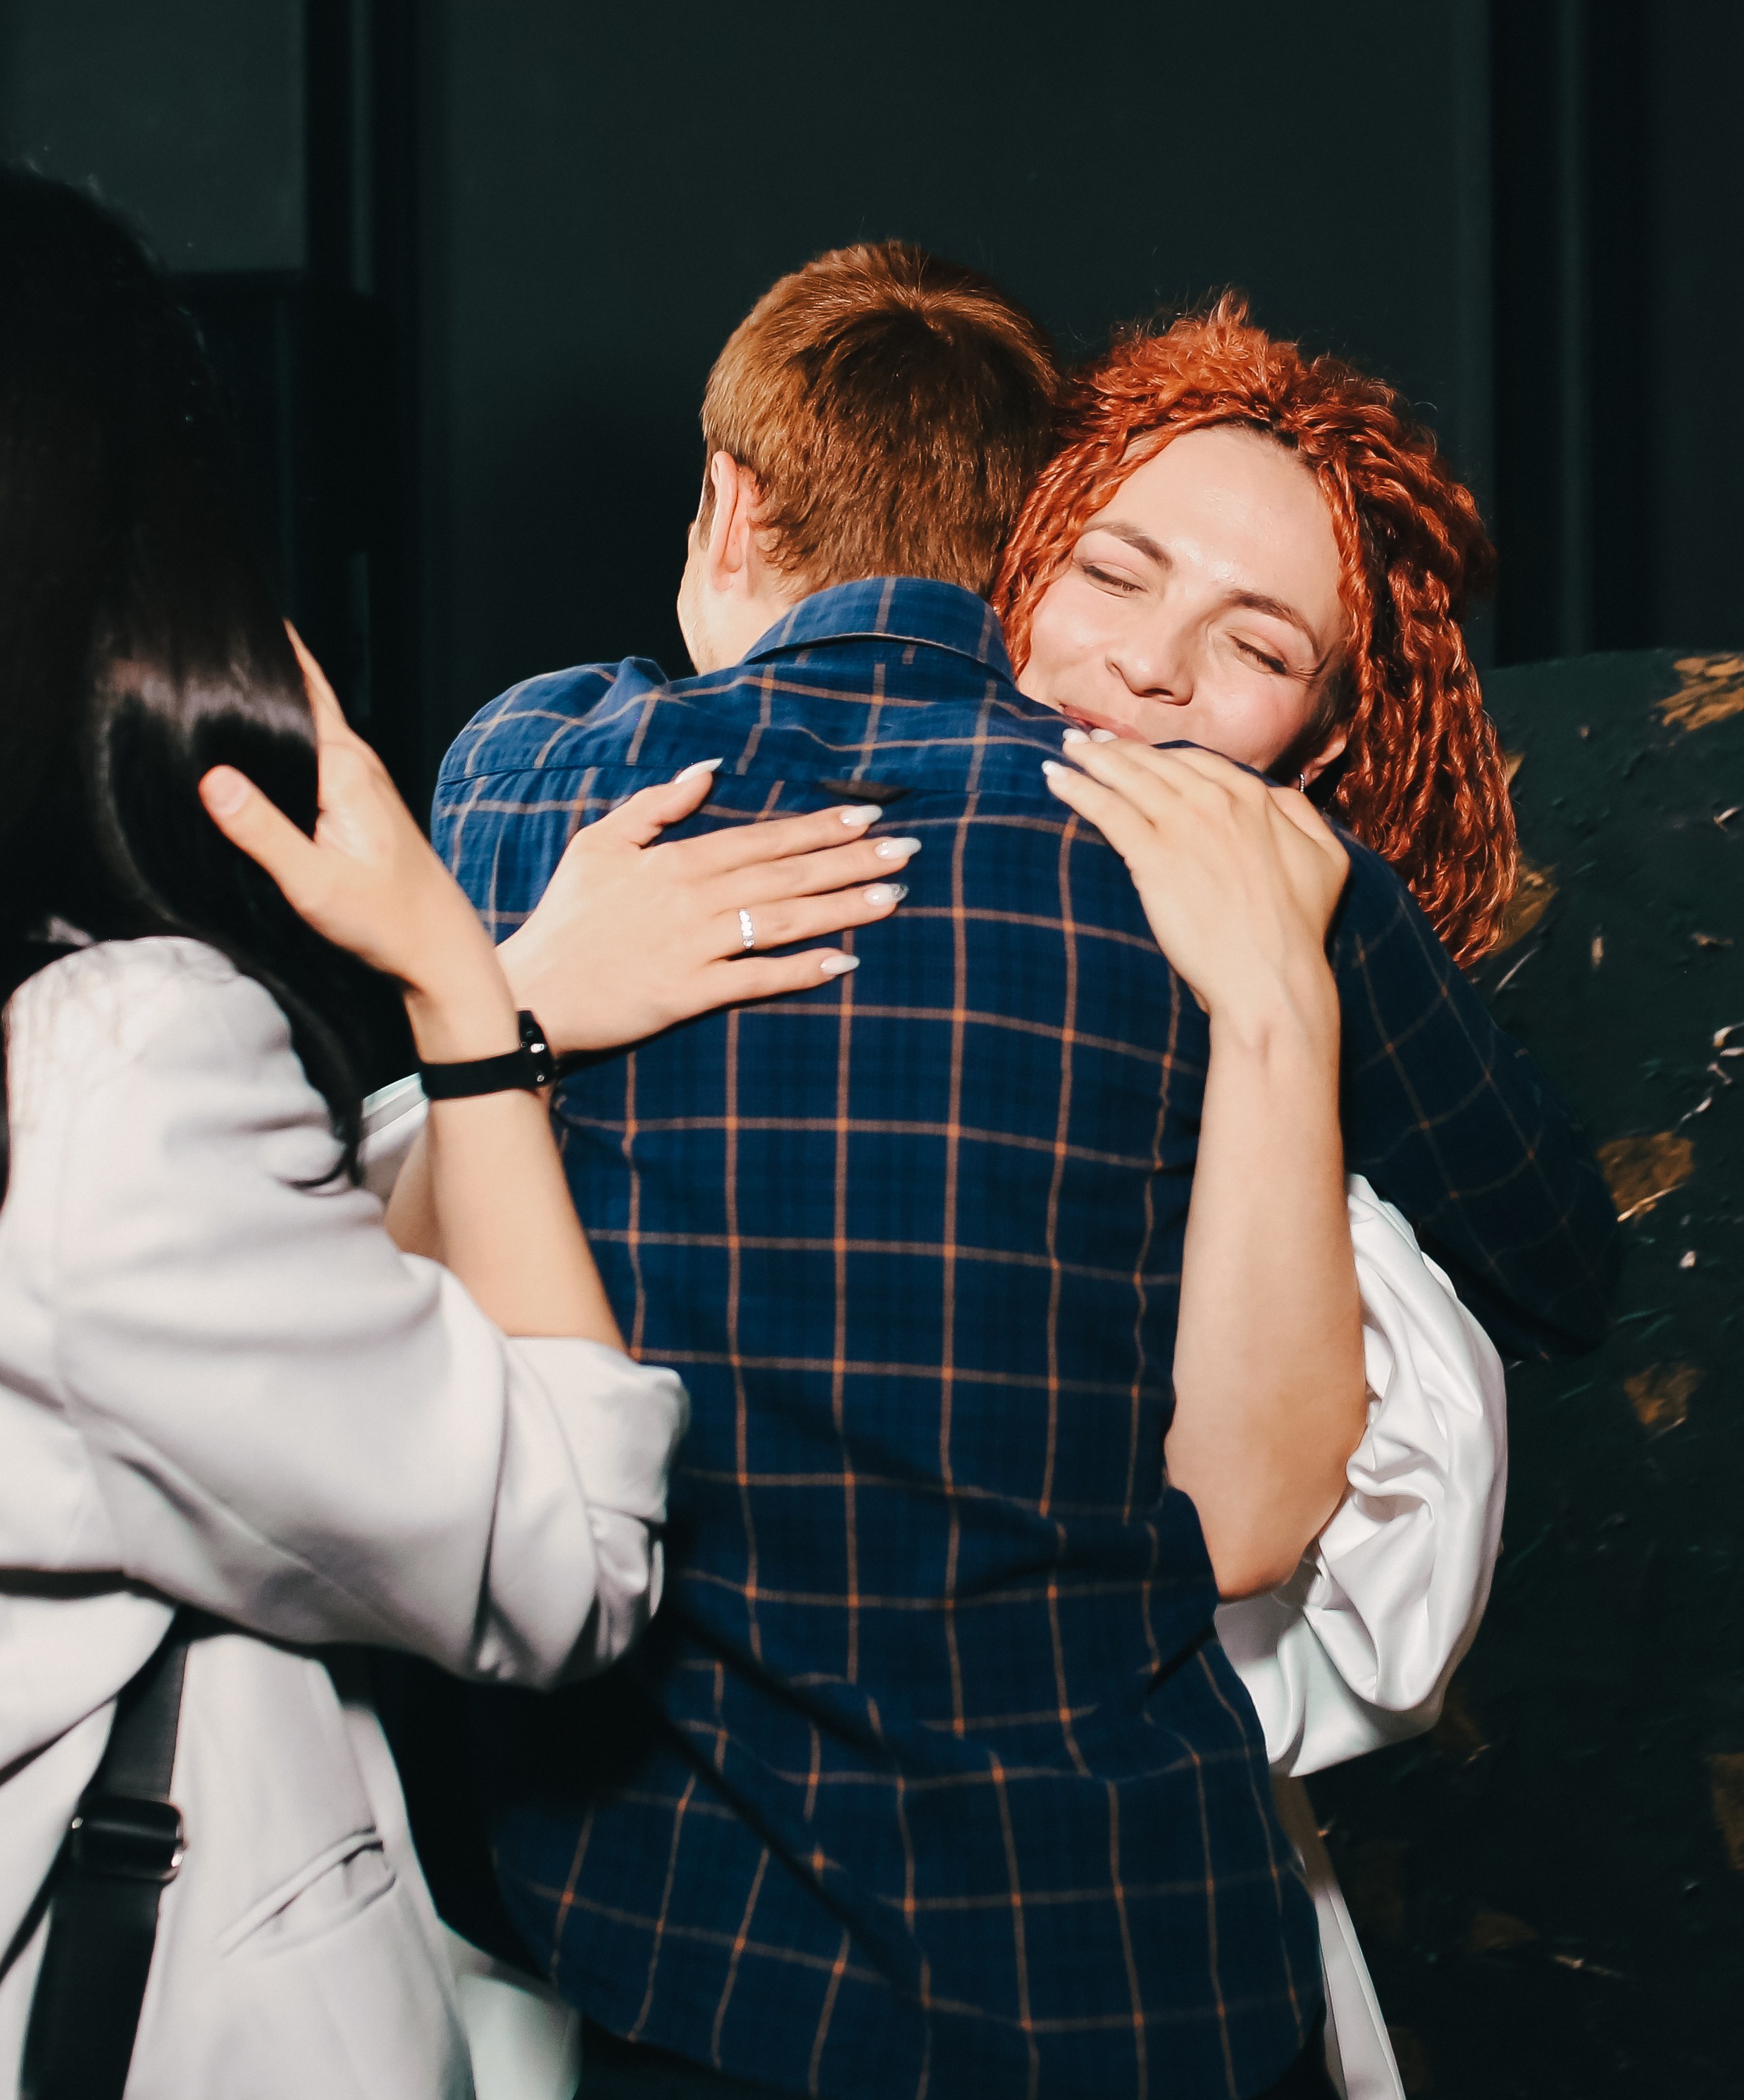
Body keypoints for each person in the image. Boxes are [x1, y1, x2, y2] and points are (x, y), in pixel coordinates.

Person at [427, 245, 1617, 2099]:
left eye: (1257, 646)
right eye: (1115, 573)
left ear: (1318, 736)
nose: (1151, 664)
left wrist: (1290, 974)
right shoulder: (641, 810)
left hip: (739, 1936)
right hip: (1059, 1954)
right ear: (1005, 545)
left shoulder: (548, 765)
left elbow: (1544, 1265)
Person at [0, 173, 911, 2100]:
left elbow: (218, 1299)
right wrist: (455, 985)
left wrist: (516, 1003)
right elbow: (570, 1559)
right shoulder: (116, 1056)